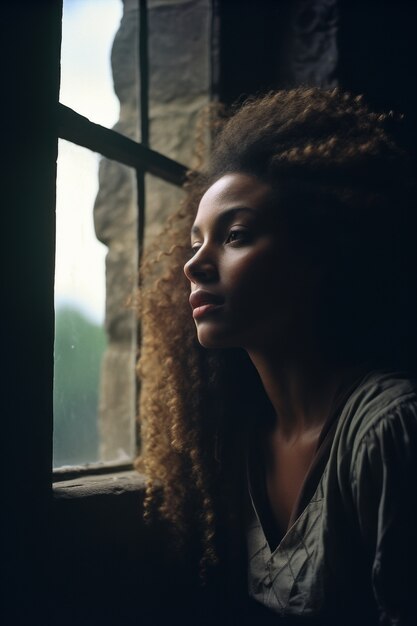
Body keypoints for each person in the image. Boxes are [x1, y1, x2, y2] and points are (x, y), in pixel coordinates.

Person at [136, 87, 417, 625]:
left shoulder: (390, 430)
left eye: (235, 235)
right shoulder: (233, 442)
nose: (193, 266)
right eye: (195, 242)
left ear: (318, 253)